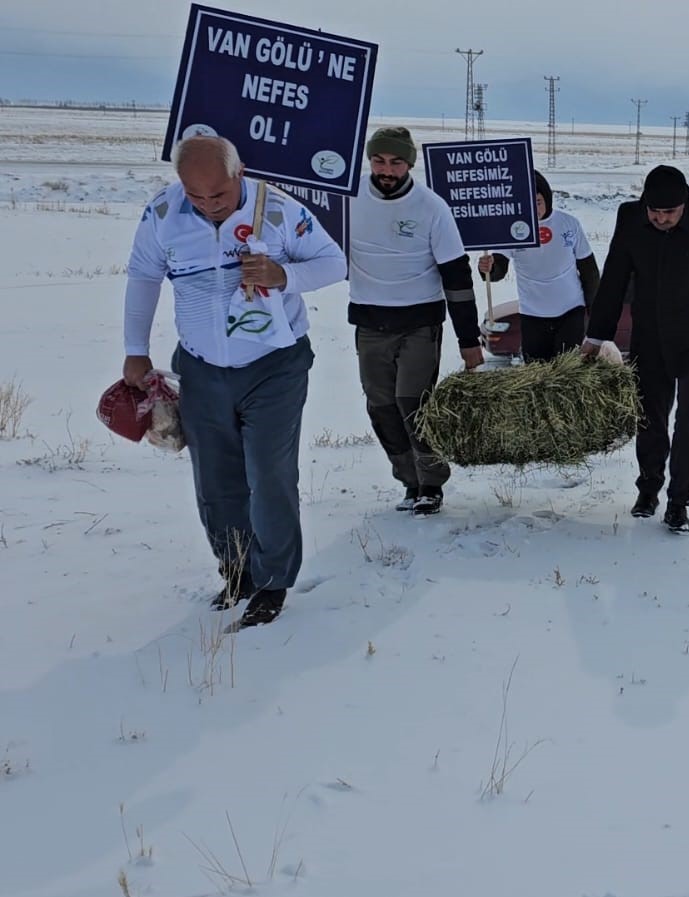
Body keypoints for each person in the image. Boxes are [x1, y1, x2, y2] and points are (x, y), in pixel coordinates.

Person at [122, 134, 346, 628]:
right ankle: (237, 568)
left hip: (274, 366)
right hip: (202, 367)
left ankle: (273, 581)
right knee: (216, 478)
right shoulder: (163, 214)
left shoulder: (281, 211)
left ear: (239, 172)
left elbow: (335, 263)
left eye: (217, 196)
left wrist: (282, 275)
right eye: (195, 196)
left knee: (268, 474)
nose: (206, 206)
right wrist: (135, 350)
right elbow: (143, 275)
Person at [580, 165, 689, 534]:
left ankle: (678, 502)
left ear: (684, 204)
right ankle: (648, 489)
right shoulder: (631, 217)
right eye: (654, 212)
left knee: (688, 420)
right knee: (649, 417)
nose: (660, 219)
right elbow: (615, 278)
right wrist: (595, 337)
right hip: (650, 338)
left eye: (669, 213)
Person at [347, 126, 483, 515]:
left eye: (395, 161)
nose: (386, 169)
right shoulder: (349, 196)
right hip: (370, 321)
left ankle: (432, 482)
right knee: (381, 405)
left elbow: (457, 277)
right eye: (378, 160)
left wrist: (468, 340)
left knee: (413, 403)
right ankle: (408, 479)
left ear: (409, 164)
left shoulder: (431, 208)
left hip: (420, 323)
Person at [477, 171, 598, 361]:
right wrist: (489, 268)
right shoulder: (512, 228)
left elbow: (589, 270)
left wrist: (594, 308)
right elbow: (498, 268)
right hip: (533, 314)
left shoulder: (568, 224)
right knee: (537, 370)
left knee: (567, 370)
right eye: (527, 203)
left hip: (570, 311)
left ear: (547, 200)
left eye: (538, 202)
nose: (534, 209)